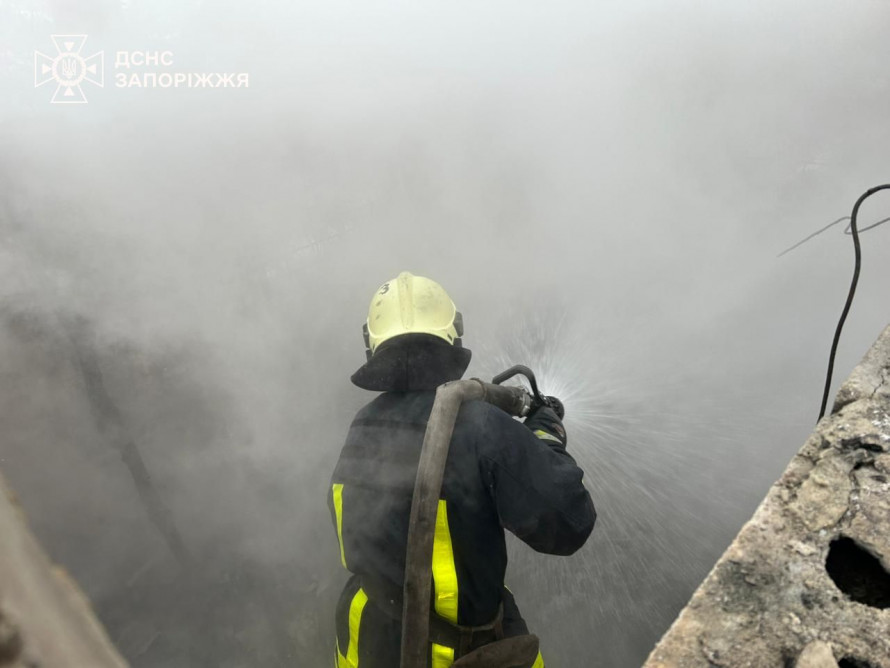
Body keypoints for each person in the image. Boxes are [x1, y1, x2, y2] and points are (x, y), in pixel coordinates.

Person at [328, 271, 596, 668]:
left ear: (373, 345)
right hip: (452, 653)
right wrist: (546, 436)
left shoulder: (363, 425)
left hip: (366, 637)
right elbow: (570, 521)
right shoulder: (480, 427)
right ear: (452, 335)